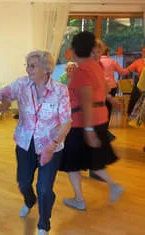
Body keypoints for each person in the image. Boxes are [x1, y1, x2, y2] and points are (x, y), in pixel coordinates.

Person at [0, 50, 72, 235]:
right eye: (27, 65)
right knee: (24, 183)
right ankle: (29, 200)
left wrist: (53, 144)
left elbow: (66, 122)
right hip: (25, 143)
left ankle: (44, 224)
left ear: (46, 68)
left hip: (51, 145)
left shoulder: (60, 90)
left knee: (44, 188)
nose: (28, 69)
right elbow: (0, 94)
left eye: (32, 66)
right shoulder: (22, 84)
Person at [60, 32, 123, 211]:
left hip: (83, 122)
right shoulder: (96, 66)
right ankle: (113, 185)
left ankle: (79, 199)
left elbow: (86, 101)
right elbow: (102, 90)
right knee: (93, 159)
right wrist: (109, 100)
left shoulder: (81, 71)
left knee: (71, 162)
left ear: (74, 50)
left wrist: (88, 130)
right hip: (99, 117)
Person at [100, 46, 129, 123]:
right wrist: (129, 69)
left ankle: (100, 125)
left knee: (100, 107)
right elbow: (122, 72)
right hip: (111, 86)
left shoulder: (97, 61)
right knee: (109, 107)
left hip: (100, 87)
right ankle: (106, 126)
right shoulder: (112, 61)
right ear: (108, 53)